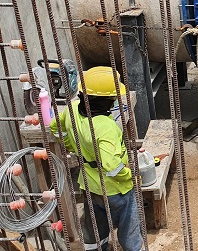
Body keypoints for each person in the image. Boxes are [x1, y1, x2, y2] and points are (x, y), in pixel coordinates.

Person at [50, 66, 143, 251]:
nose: (114, 101)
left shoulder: (72, 110)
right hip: (115, 188)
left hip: (89, 184)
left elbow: (55, 127)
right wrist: (130, 176)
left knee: (95, 226)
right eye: (112, 99)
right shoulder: (104, 127)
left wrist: (70, 145)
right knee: (128, 227)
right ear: (102, 101)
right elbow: (112, 166)